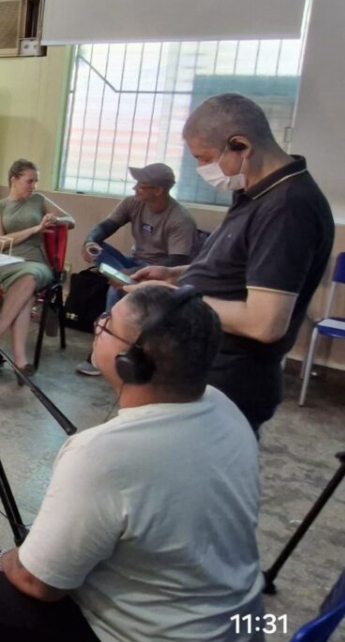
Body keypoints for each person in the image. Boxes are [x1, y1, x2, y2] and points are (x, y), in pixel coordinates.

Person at [0, 285, 265, 642]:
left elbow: (36, 583)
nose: (98, 326)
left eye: (107, 323)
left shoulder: (103, 455)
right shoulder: (225, 407)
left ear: (133, 362)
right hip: (236, 629)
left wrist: (11, 557)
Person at [131, 93, 334, 431]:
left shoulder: (288, 207)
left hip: (231, 380)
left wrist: (174, 298)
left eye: (205, 158)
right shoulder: (255, 192)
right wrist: (176, 274)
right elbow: (234, 264)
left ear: (240, 145)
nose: (202, 170)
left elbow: (264, 322)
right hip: (202, 366)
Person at [75, 162, 197, 376]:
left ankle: (102, 352)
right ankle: (121, 281)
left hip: (158, 272)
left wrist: (133, 275)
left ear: (158, 190)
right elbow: (105, 227)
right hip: (131, 262)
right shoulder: (132, 203)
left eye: (141, 186)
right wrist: (90, 241)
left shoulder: (180, 219)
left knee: (116, 290)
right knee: (98, 249)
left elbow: (177, 263)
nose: (134, 189)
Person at [0, 159, 73, 375]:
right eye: (29, 181)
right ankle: (20, 360)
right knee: (26, 293)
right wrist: (34, 229)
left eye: (36, 181)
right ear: (13, 180)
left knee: (29, 278)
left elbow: (71, 220)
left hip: (36, 262)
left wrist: (56, 218)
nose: (33, 186)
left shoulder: (39, 199)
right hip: (5, 261)